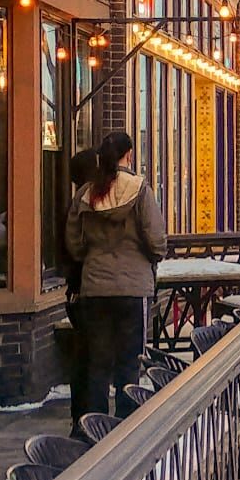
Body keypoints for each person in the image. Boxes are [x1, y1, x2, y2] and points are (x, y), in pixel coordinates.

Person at [64, 132, 166, 418]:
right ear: (129, 155)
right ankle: (126, 422)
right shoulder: (139, 189)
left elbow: (74, 242)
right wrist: (150, 257)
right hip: (133, 287)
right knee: (129, 362)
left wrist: (92, 259)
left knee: (97, 362)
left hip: (95, 287)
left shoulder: (86, 193)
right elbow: (156, 239)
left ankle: (95, 425)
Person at [59, 148, 101, 427]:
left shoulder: (71, 207)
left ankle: (82, 417)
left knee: (85, 357)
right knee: (93, 358)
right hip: (88, 291)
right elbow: (77, 250)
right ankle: (90, 420)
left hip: (76, 291)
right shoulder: (86, 206)